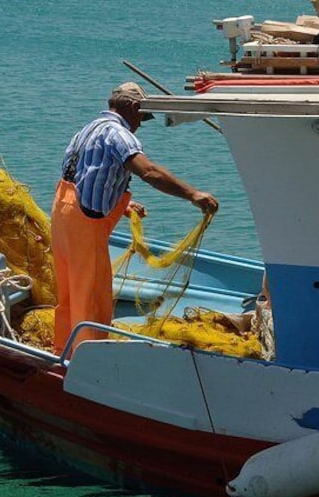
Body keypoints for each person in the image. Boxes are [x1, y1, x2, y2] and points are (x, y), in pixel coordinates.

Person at [51, 81, 218, 354]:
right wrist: (192, 194)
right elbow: (149, 171)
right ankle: (87, 358)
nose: (140, 123)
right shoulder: (120, 134)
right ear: (133, 107)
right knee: (90, 295)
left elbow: (86, 176)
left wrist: (123, 204)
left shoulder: (87, 130)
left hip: (63, 216)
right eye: (142, 116)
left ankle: (63, 348)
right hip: (85, 225)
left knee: (70, 291)